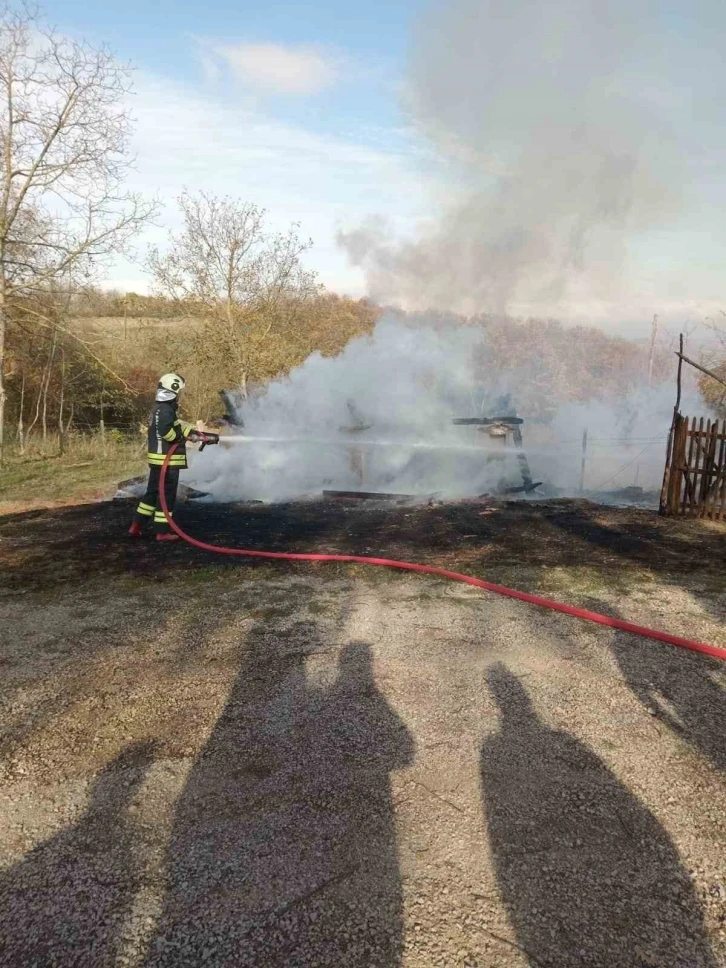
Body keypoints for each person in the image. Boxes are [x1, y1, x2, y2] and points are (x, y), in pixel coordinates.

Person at [128, 373, 217, 542]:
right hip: (167, 464)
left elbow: (177, 428)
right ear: (173, 390)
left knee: (152, 494)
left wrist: (199, 435)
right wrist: (184, 438)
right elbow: (169, 434)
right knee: (166, 496)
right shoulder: (166, 411)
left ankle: (136, 526)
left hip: (158, 462)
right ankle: (162, 532)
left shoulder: (158, 409)